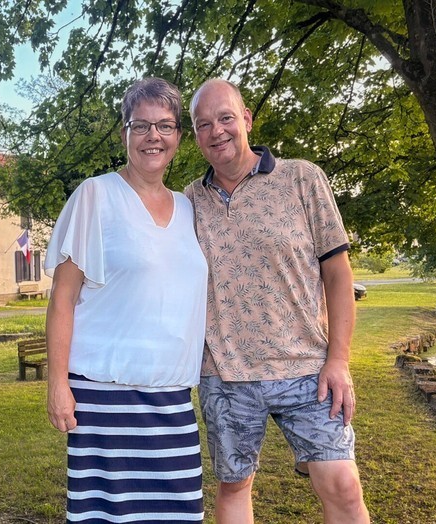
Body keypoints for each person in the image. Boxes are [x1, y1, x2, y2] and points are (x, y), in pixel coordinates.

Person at [184, 78, 370, 524]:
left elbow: (338, 274)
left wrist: (339, 360)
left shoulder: (301, 177)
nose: (217, 131)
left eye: (226, 118)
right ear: (195, 135)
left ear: (246, 119)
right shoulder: (190, 200)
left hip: (307, 369)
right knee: (234, 488)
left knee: (342, 485)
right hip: (226, 375)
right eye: (203, 123)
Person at [44, 77, 208, 523]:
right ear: (125, 134)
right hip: (103, 397)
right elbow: (62, 298)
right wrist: (58, 384)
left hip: (172, 399)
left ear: (178, 136)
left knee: (176, 515)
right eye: (141, 126)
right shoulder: (95, 195)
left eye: (165, 126)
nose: (153, 136)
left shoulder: (191, 207)